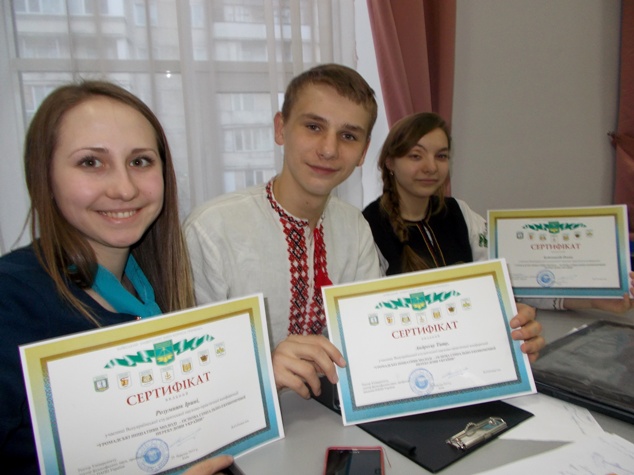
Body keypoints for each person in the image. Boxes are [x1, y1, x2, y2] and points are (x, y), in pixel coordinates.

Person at [184, 64, 544, 401]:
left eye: (348, 135)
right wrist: (261, 369)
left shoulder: (354, 227)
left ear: (362, 152)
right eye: (313, 127)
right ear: (281, 128)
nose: (329, 149)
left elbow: (380, 338)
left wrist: (499, 334)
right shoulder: (212, 230)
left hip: (336, 415)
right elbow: (190, 375)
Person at [0, 81, 234, 475]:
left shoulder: (153, 279)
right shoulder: (10, 300)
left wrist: (254, 380)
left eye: (140, 161)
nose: (124, 189)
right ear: (45, 176)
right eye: (91, 162)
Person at [362, 111, 634, 318]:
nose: (431, 167)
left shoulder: (460, 213)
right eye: (415, 156)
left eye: (441, 156)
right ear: (390, 162)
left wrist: (593, 297)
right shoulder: (367, 229)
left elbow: (515, 281)